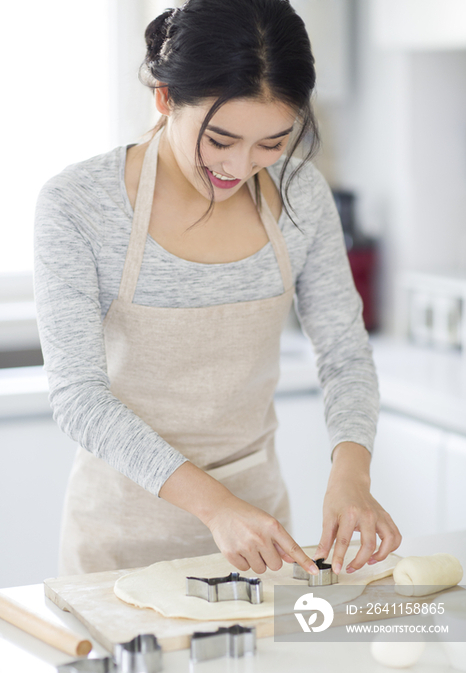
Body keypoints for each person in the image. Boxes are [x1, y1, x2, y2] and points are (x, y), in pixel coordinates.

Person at [34, 0, 401, 578]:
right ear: (164, 99)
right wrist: (216, 508)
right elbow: (79, 398)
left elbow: (345, 352)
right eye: (220, 139)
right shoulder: (79, 204)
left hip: (260, 537)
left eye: (271, 143)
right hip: (119, 537)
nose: (240, 166)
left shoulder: (301, 195)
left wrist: (351, 476)